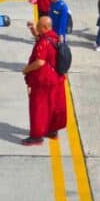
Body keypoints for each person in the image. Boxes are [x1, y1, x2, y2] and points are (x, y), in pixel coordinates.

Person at [21, 16, 66, 146]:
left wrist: (26, 69)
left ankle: (36, 136)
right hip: (55, 79)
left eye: (39, 26)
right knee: (52, 106)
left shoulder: (43, 42)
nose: (38, 28)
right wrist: (33, 30)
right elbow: (41, 38)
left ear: (45, 28)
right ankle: (52, 131)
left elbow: (40, 62)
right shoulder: (54, 36)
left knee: (38, 108)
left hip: (43, 81)